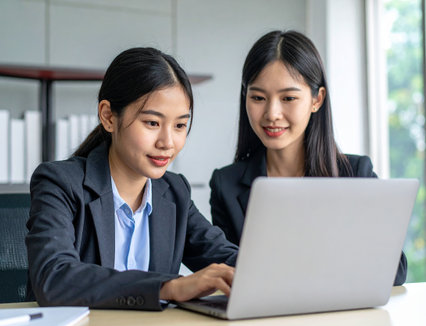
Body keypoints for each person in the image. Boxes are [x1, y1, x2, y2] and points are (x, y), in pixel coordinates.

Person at [26, 47, 237, 310]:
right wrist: (168, 288)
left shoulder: (174, 191)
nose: (167, 142)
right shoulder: (60, 182)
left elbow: (226, 258)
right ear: (108, 116)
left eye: (180, 125)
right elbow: (54, 279)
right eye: (152, 123)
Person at [209, 30, 407, 286]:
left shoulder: (356, 173)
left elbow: (395, 271)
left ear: (317, 99)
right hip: (262, 322)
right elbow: (230, 275)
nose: (272, 113)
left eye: (288, 98)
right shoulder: (226, 184)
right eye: (258, 98)